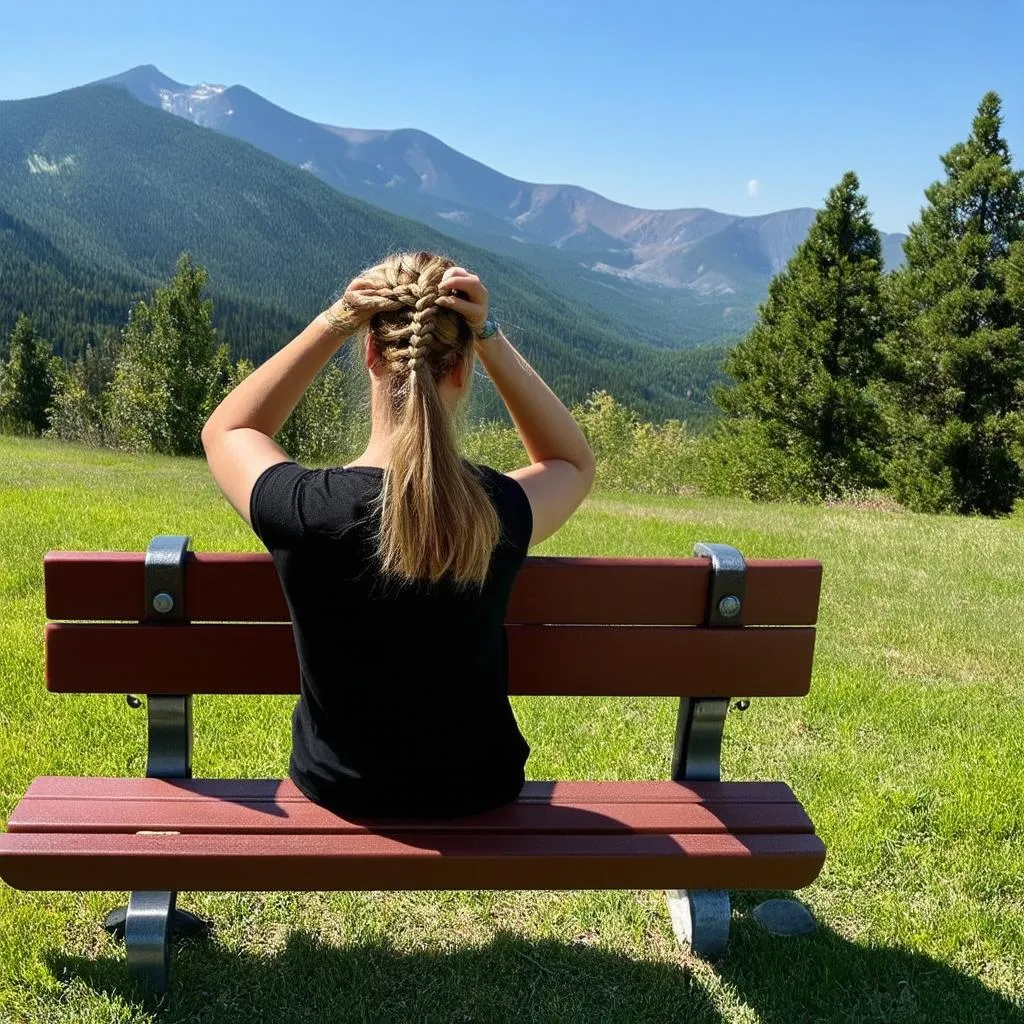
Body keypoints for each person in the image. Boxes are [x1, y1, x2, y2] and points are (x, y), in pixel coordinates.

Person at [202, 250, 595, 819]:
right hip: (479, 790)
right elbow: (572, 461)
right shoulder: (494, 513)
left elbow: (228, 428)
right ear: (462, 369)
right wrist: (491, 336)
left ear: (369, 353)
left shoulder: (305, 509)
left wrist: (333, 319)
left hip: (341, 791)